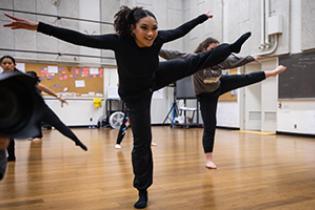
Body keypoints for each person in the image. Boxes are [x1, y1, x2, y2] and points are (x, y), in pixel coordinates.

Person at [4, 6, 251, 208]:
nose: (151, 33)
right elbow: (80, 38)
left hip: (155, 76)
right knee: (143, 141)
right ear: (132, 28)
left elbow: (180, 29)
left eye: (154, 28)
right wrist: (37, 26)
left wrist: (200, 18)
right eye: (145, 28)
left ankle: (230, 49)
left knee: (194, 60)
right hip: (134, 94)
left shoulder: (159, 37)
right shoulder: (119, 42)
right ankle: (142, 189)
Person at [159, 37, 287, 169]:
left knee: (244, 79)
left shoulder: (221, 60)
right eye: (212, 49)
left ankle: (272, 73)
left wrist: (252, 58)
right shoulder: (195, 59)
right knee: (210, 125)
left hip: (220, 85)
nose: (216, 53)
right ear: (204, 49)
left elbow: (237, 61)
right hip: (205, 96)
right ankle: (209, 159)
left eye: (217, 50)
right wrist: (155, 48)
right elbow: (175, 55)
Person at [0, 56, 88, 162]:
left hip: (39, 107)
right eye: (4, 63)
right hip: (24, 111)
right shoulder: (2, 79)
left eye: (9, 63)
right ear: (1, 65)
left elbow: (41, 87)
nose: (7, 65)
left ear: (14, 65)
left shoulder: (22, 77)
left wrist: (57, 96)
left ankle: (76, 140)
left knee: (58, 124)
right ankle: (12, 156)